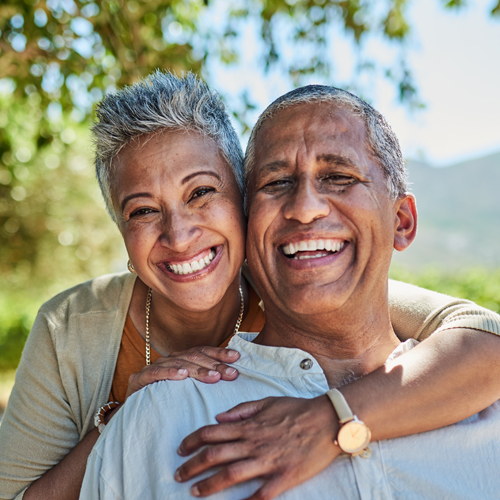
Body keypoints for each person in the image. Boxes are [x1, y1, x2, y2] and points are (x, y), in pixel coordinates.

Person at [1, 73, 499, 500]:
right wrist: (120, 420)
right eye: (143, 211)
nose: (178, 235)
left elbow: (484, 338)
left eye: (201, 193)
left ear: (240, 208)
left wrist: (331, 420)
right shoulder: (83, 340)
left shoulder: (312, 279)